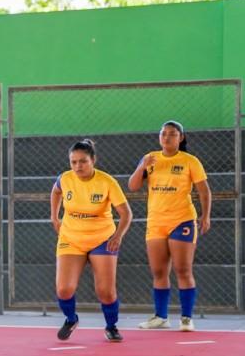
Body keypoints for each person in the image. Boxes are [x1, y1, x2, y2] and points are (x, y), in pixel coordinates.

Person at [128, 121, 210, 332]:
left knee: (183, 269)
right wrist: (141, 166)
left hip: (182, 219)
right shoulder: (150, 158)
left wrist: (205, 216)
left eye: (172, 134)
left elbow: (204, 191)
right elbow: (133, 186)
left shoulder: (190, 161)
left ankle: (186, 318)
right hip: (156, 222)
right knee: (158, 271)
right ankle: (161, 317)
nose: (166, 138)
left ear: (180, 137)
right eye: (163, 134)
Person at [50, 139, 131, 343]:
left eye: (83, 161)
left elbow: (126, 214)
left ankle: (111, 326)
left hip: (102, 239)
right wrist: (54, 215)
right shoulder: (65, 178)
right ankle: (71, 319)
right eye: (74, 162)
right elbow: (56, 190)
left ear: (93, 160)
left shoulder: (107, 181)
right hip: (71, 238)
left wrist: (117, 235)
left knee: (105, 292)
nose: (78, 166)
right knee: (64, 289)